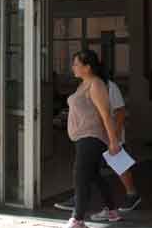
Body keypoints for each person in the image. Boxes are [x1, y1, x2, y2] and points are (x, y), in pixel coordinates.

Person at [55, 79, 142, 213]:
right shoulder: (84, 85)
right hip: (95, 133)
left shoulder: (109, 86)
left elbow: (120, 111)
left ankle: (132, 194)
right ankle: (80, 198)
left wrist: (115, 136)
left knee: (119, 164)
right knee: (89, 168)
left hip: (110, 132)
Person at [63, 50, 122, 228]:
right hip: (83, 137)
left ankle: (78, 219)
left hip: (92, 137)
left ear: (87, 67)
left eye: (76, 64)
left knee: (80, 176)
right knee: (94, 175)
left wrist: (113, 141)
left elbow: (106, 115)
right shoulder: (83, 84)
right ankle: (112, 211)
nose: (73, 67)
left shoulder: (96, 84)